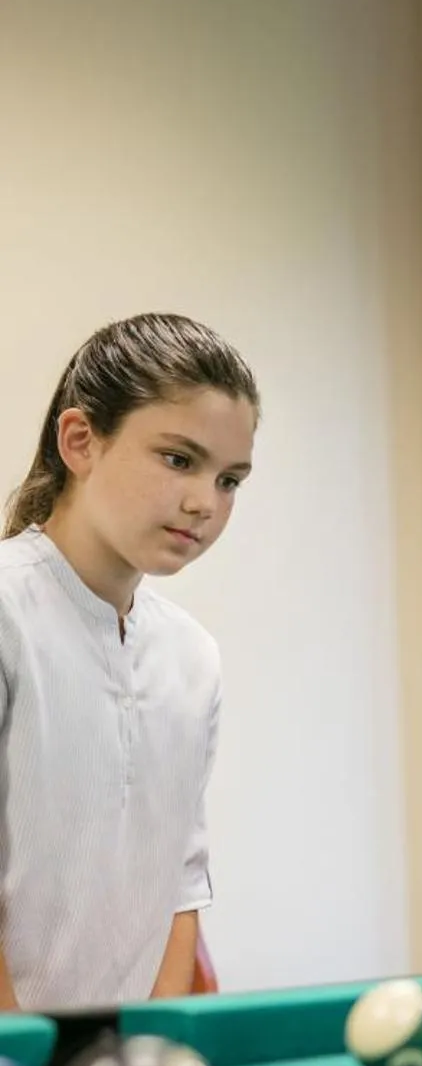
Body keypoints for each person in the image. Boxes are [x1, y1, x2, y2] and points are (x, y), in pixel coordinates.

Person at [0, 313, 259, 1012]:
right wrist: (20, 1064)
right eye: (178, 459)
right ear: (80, 441)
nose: (204, 502)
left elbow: (180, 880)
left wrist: (148, 1049)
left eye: (230, 479)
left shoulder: (192, 656)